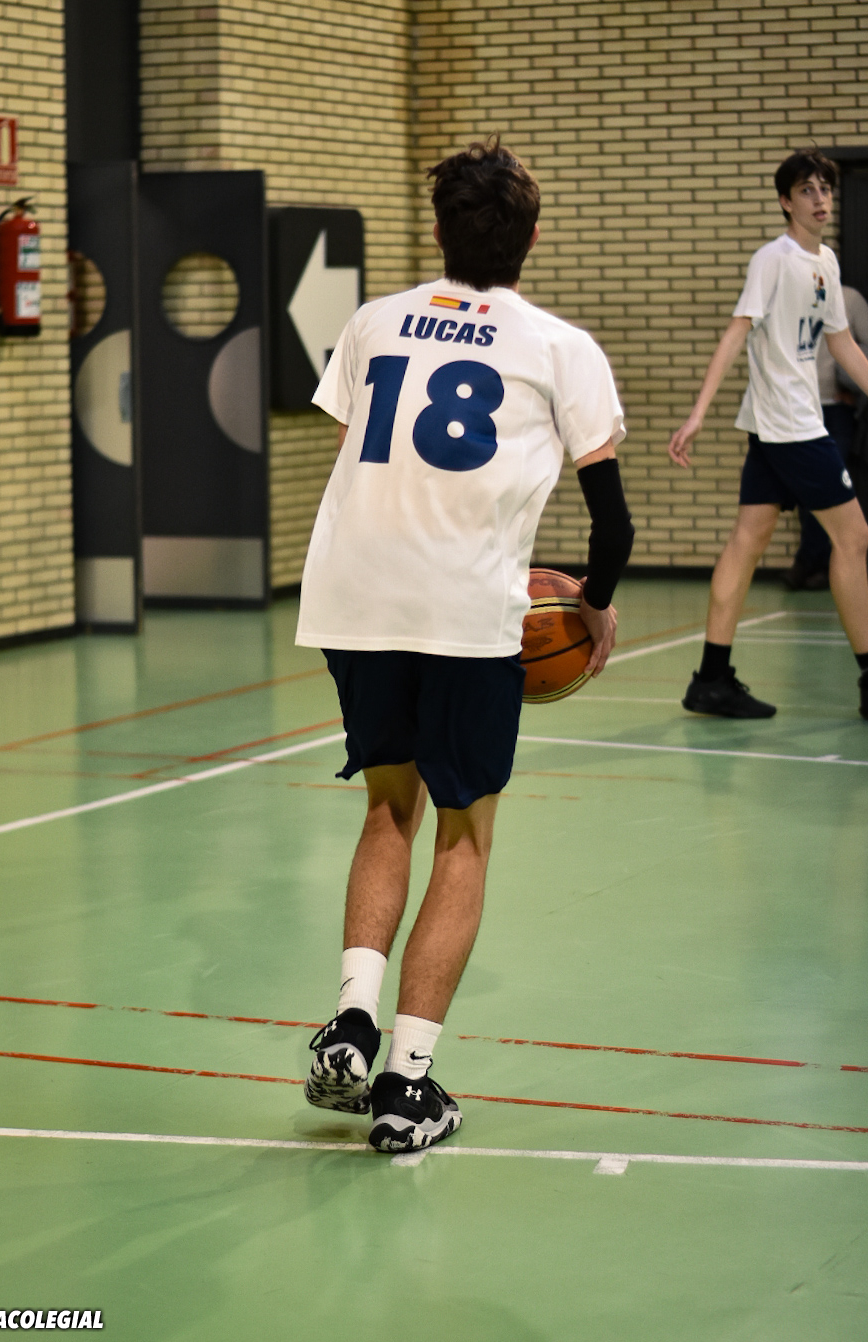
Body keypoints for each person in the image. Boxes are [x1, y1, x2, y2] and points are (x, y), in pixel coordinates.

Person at [295, 137, 634, 1152]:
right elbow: (612, 525)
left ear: (438, 230)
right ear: (532, 235)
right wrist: (595, 605)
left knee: (386, 806)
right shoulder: (559, 347)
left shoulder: (372, 322)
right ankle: (406, 1086)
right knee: (465, 834)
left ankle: (351, 1018)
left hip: (352, 597)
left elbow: (363, 453)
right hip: (464, 613)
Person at [668, 149, 868, 721]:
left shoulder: (827, 262)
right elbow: (736, 332)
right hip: (791, 424)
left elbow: (841, 342)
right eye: (807, 190)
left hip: (779, 422)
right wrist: (697, 414)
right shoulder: (773, 259)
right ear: (785, 202)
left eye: (826, 189)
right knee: (854, 537)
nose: (820, 199)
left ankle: (711, 679)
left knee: (748, 540)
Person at [784, 285, 868, 590]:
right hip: (801, 408)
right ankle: (814, 563)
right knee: (807, 489)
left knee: (828, 485)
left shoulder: (850, 299)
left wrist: (856, 394)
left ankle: (811, 562)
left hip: (836, 410)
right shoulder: (793, 296)